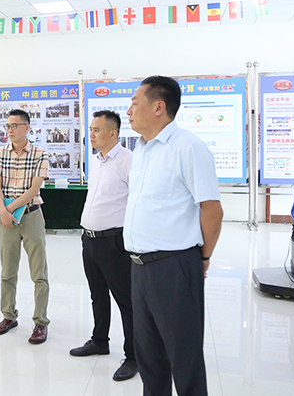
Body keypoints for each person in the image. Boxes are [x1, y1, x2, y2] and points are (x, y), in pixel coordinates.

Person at [123, 76, 223, 396]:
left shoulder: (188, 147)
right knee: (150, 357)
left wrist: (202, 257)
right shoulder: (141, 150)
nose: (129, 110)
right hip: (140, 266)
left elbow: (211, 209)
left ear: (158, 107)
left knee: (184, 355)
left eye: (134, 103)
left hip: (174, 265)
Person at [70, 110, 138, 382]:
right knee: (97, 294)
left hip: (115, 242)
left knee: (126, 301)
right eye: (91, 129)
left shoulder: (128, 161)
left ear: (113, 133)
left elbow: (137, 203)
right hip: (90, 239)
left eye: (97, 130)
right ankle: (100, 340)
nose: (92, 134)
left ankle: (133, 355)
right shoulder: (96, 161)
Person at [0, 109, 50, 344]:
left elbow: (34, 190)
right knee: (7, 270)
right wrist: (3, 212)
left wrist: (9, 209)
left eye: (15, 125)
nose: (10, 130)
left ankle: (40, 322)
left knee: (39, 273)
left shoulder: (39, 154)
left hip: (31, 216)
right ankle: (8, 316)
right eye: (8, 126)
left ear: (27, 128)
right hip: (6, 219)